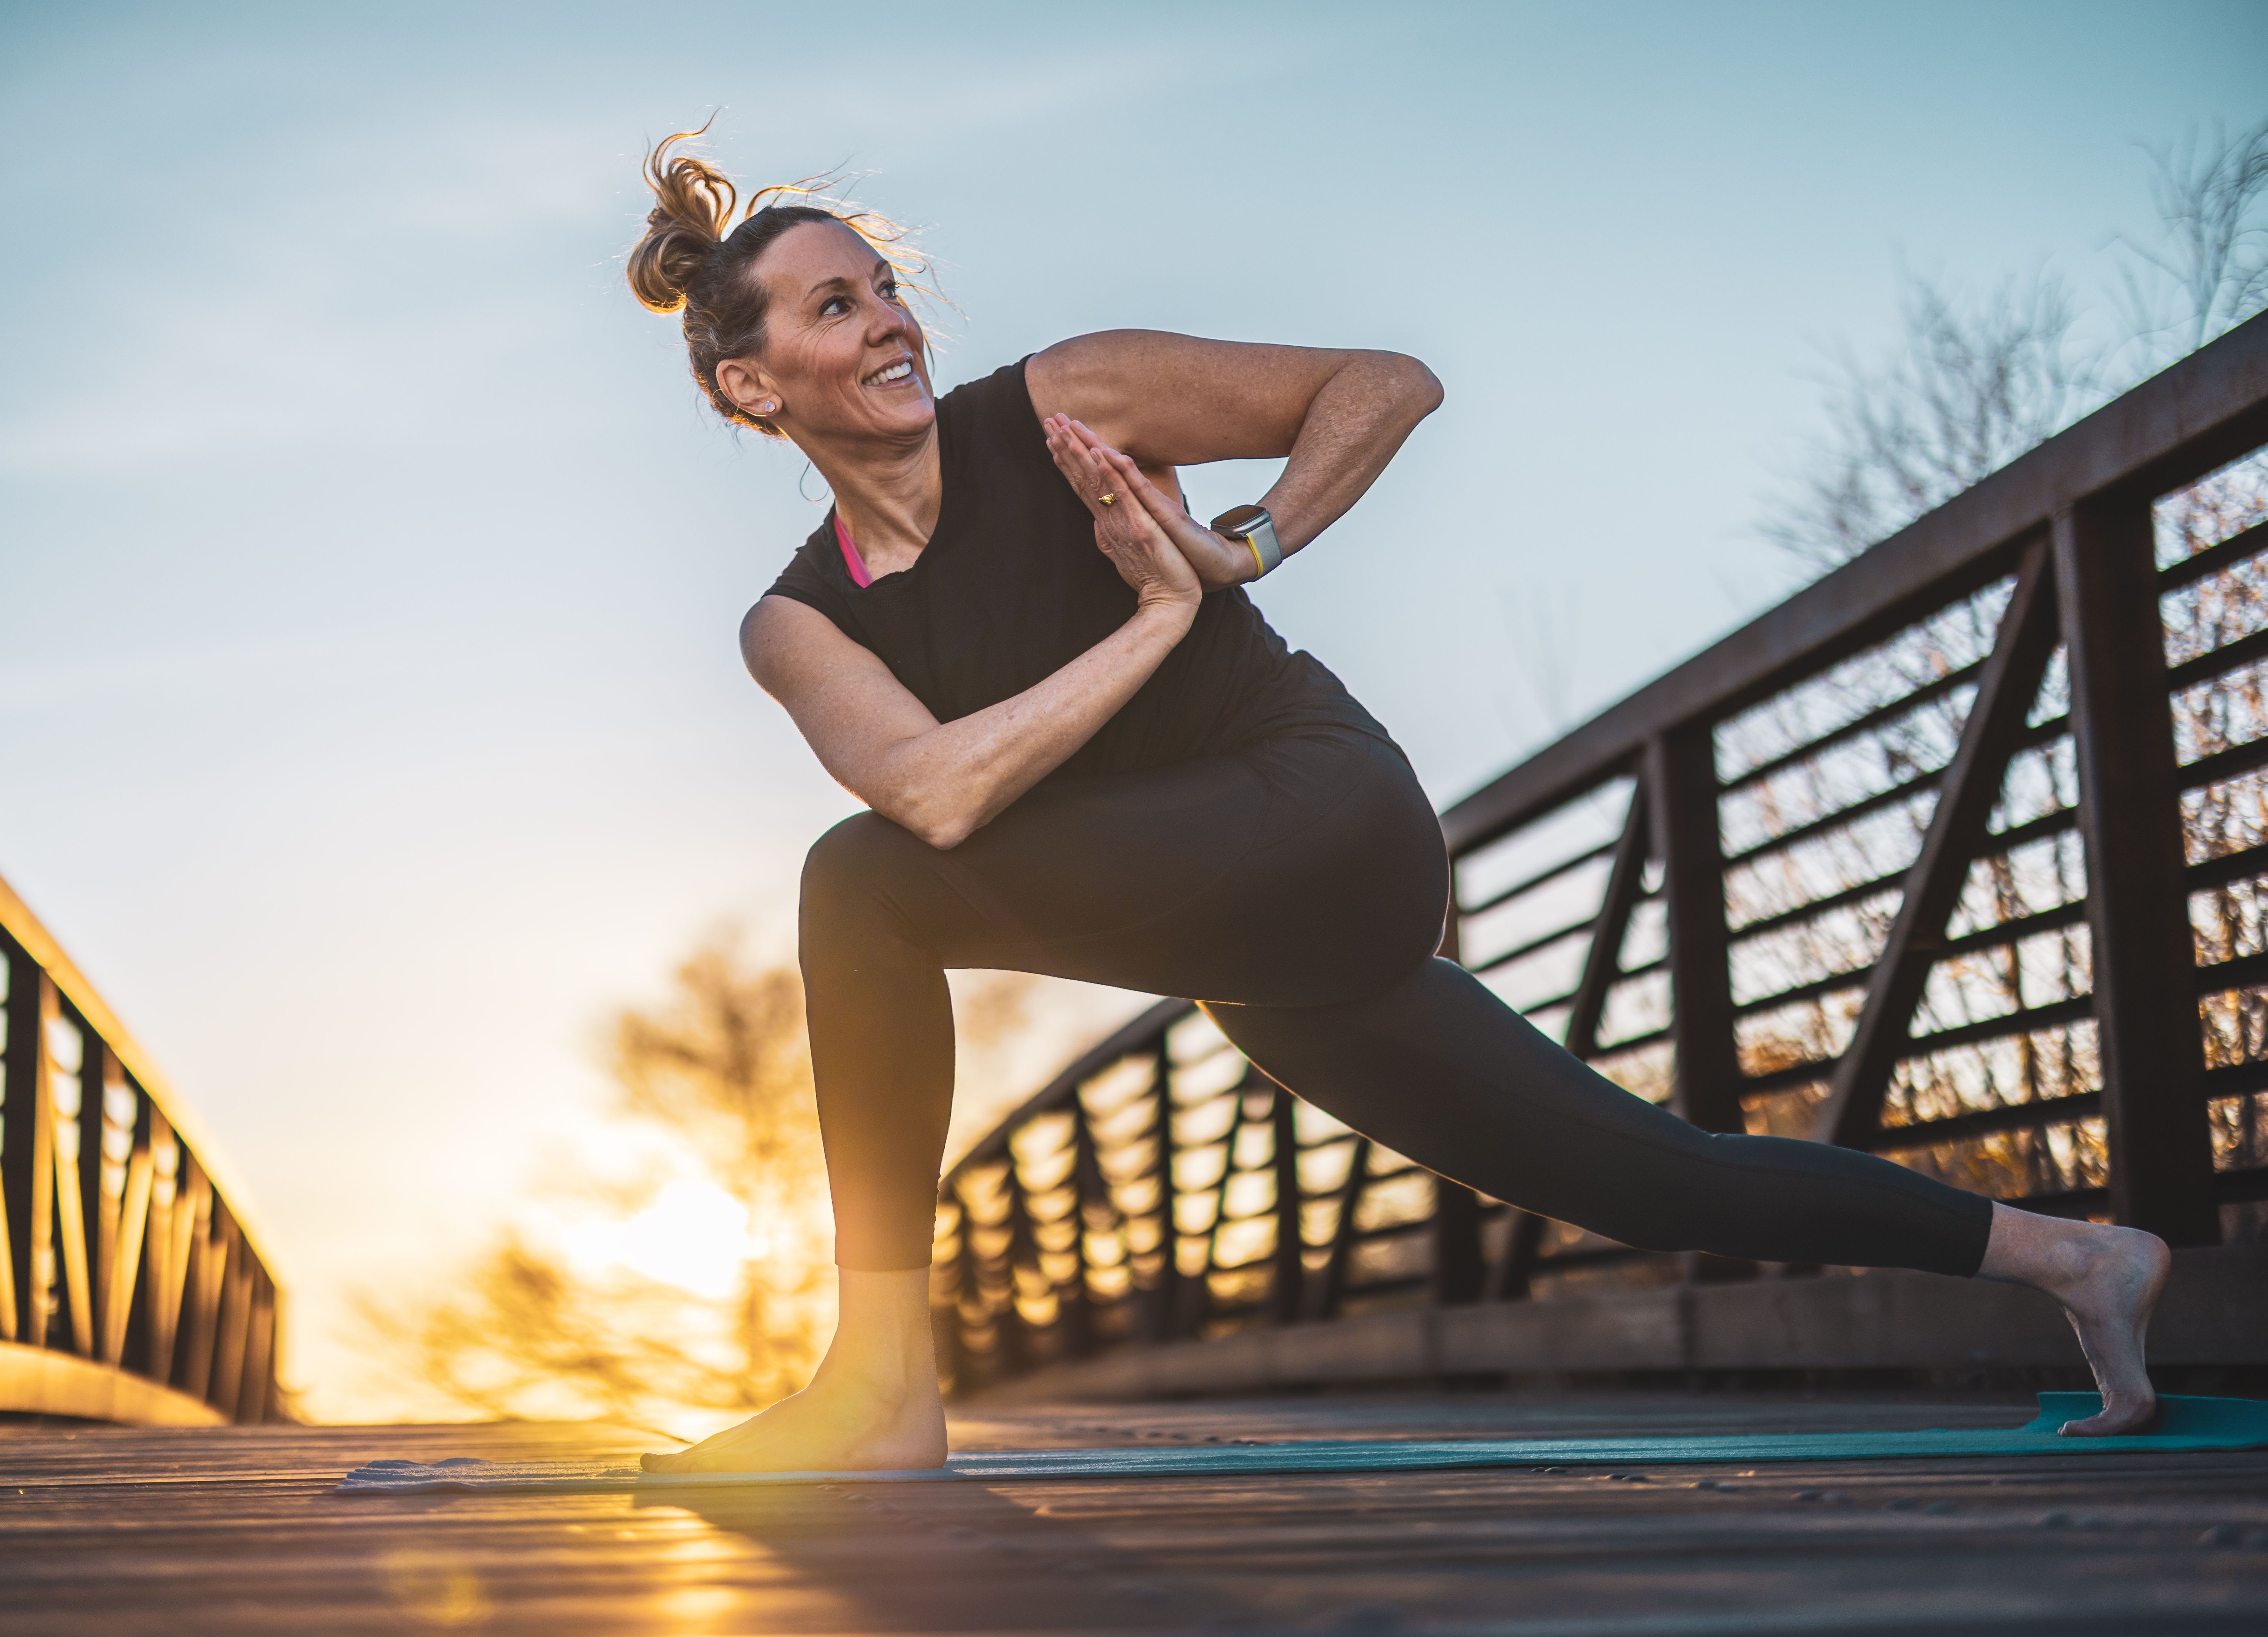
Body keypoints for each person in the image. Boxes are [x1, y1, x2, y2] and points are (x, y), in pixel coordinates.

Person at [625, 130, 2171, 1473]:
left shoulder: (1059, 404)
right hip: (1251, 959)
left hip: (1326, 816)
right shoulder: (801, 624)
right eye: (838, 308)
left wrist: (1246, 551)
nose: (892, 324)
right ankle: (2080, 1260)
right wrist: (1158, 619)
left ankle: (882, 1384)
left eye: (886, 287)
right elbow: (939, 797)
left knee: (857, 887)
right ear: (752, 382)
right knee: (1634, 1178)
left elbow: (1385, 385)